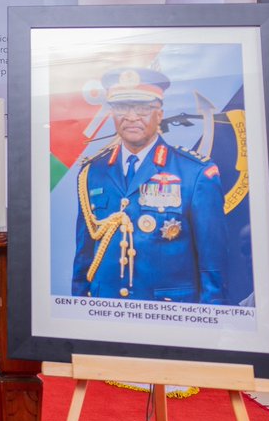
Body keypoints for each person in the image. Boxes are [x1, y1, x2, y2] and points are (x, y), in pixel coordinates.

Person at [71, 67, 228, 304]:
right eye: (122, 107)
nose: (132, 117)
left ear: (160, 114)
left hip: (167, 315)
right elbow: (84, 258)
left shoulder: (195, 173)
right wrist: (79, 309)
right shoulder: (92, 172)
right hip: (104, 311)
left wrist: (210, 323)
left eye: (143, 108)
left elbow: (212, 268)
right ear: (112, 113)